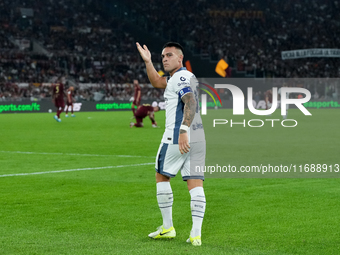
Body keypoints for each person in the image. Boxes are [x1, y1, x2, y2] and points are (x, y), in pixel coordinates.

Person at [136, 41, 206, 246]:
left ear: (179, 58)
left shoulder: (181, 77)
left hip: (177, 135)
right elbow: (157, 82)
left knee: (161, 176)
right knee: (195, 184)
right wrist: (148, 62)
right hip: (199, 137)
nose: (164, 59)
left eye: (169, 55)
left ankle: (167, 228)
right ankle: (195, 234)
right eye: (162, 56)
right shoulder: (182, 77)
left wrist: (183, 130)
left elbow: (190, 102)